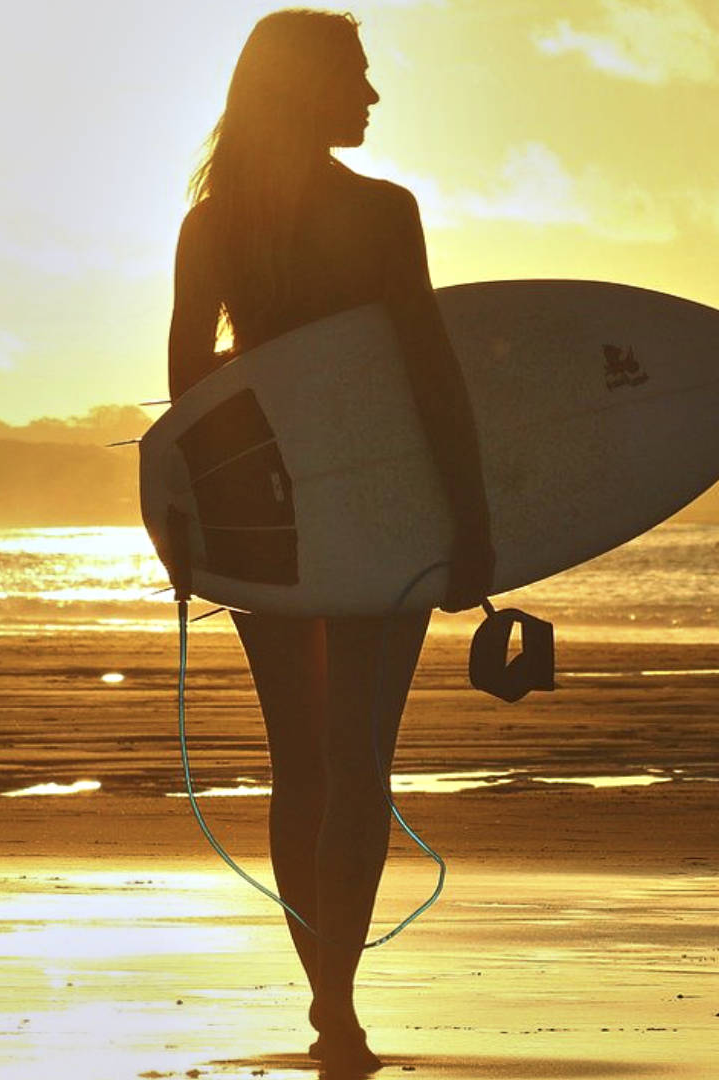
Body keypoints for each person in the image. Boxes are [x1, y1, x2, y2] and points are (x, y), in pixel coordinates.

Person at [167, 9, 495, 1072]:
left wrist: (199, 534)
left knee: (301, 768)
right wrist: (473, 523)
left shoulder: (213, 226)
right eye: (356, 75)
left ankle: (330, 1000)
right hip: (385, 517)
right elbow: (431, 378)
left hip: (272, 524)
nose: (371, 95)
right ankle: (338, 1000)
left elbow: (187, 399)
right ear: (307, 86)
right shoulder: (383, 214)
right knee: (359, 764)